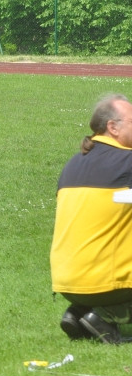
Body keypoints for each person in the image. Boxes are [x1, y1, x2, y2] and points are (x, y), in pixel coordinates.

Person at [51, 93, 132, 344]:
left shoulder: (73, 164)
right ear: (113, 127)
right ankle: (107, 316)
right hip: (106, 284)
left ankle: (79, 314)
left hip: (67, 283)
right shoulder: (128, 161)